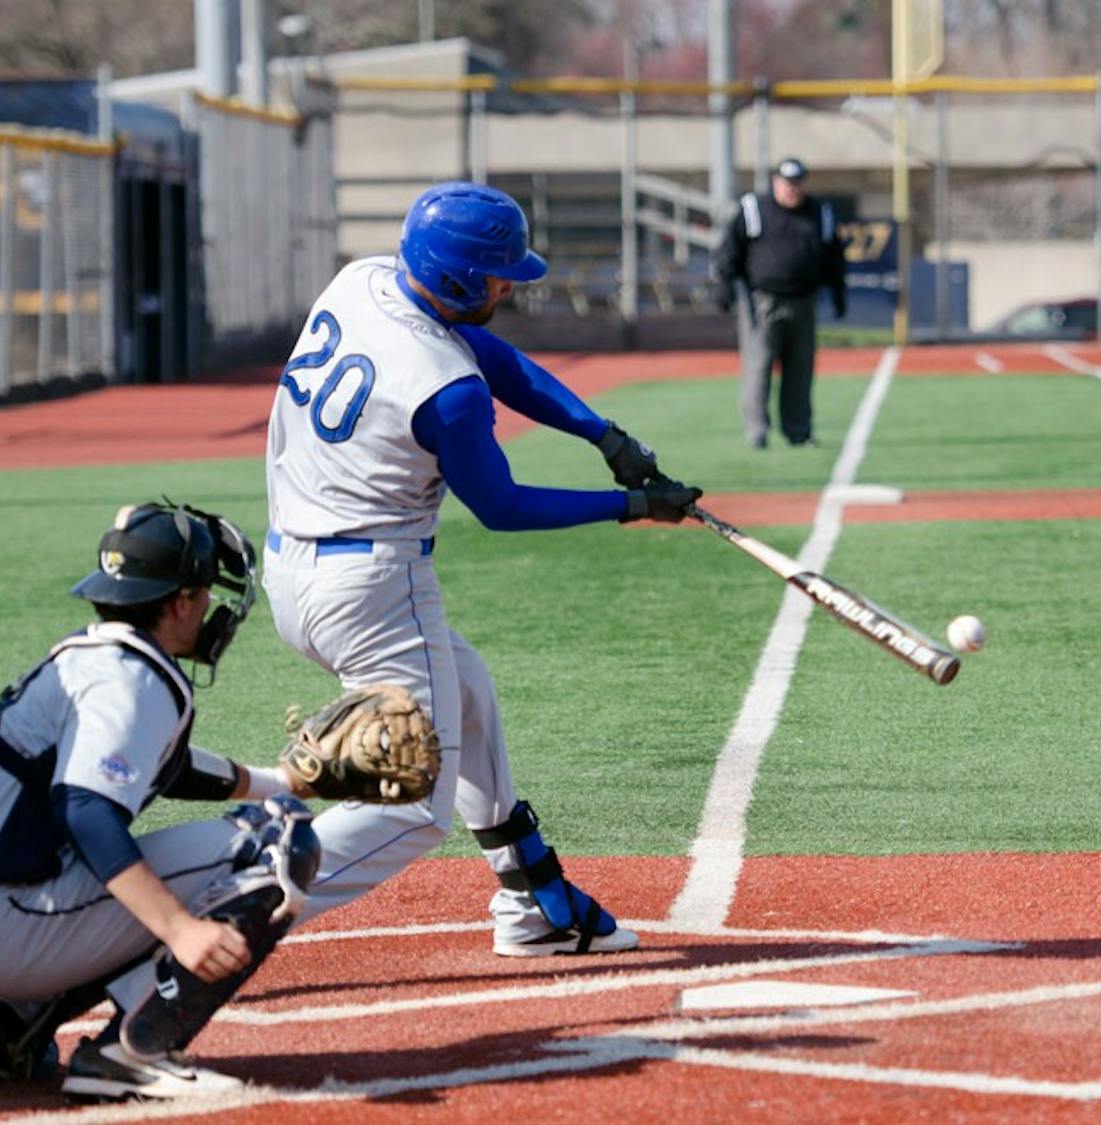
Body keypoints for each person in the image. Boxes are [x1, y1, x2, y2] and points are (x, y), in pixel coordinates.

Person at [263, 180, 702, 957]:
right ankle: (230, 908)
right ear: (462, 278)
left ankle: (531, 898)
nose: (510, 286)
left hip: (295, 570)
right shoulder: (448, 392)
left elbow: (488, 353)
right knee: (414, 806)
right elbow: (500, 506)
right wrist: (630, 508)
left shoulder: (364, 278)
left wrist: (602, 435)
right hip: (372, 588)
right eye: (500, 276)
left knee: (464, 691)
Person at [0, 502, 320, 1102]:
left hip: (12, 911)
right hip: (12, 924)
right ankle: (130, 1051)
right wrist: (180, 929)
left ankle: (11, 1025)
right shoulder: (129, 678)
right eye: (203, 596)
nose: (210, 611)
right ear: (179, 602)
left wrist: (283, 780)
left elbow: (170, 769)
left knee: (271, 812)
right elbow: (86, 808)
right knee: (275, 841)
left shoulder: (94, 656)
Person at [712, 156, 849, 449]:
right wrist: (725, 287)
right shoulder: (753, 209)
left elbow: (833, 255)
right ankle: (757, 431)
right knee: (758, 366)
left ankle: (798, 431)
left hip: (804, 300)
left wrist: (838, 291)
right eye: (787, 183)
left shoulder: (819, 212)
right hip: (761, 301)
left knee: (800, 369)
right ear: (776, 182)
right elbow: (728, 250)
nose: (792, 189)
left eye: (797, 183)